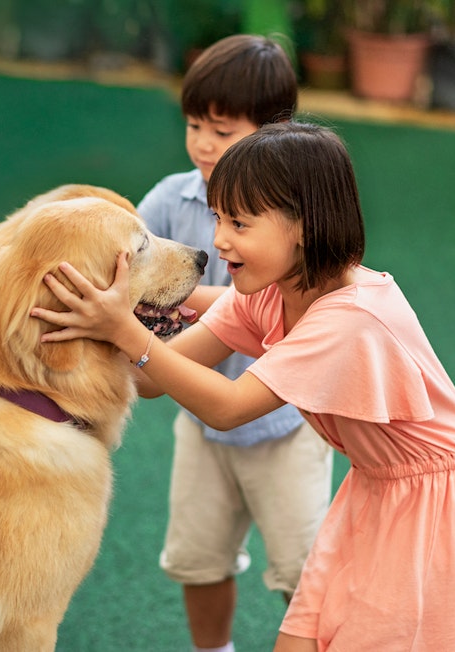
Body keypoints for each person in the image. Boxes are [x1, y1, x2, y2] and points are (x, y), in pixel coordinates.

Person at [32, 121, 455, 650]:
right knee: (303, 638)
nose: (218, 240)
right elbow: (151, 380)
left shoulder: (348, 318)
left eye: (239, 222)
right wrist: (116, 320)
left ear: (303, 225)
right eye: (218, 218)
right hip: (377, 487)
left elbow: (229, 406)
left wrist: (125, 328)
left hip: (437, 506)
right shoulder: (274, 291)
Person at [134, 34, 333, 652]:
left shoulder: (297, 214)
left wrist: (155, 311)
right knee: (198, 559)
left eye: (221, 130)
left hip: (285, 429)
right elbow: (130, 270)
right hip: (201, 427)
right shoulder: (171, 200)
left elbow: (264, 306)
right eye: (194, 124)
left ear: (276, 132)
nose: (201, 143)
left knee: (305, 576)